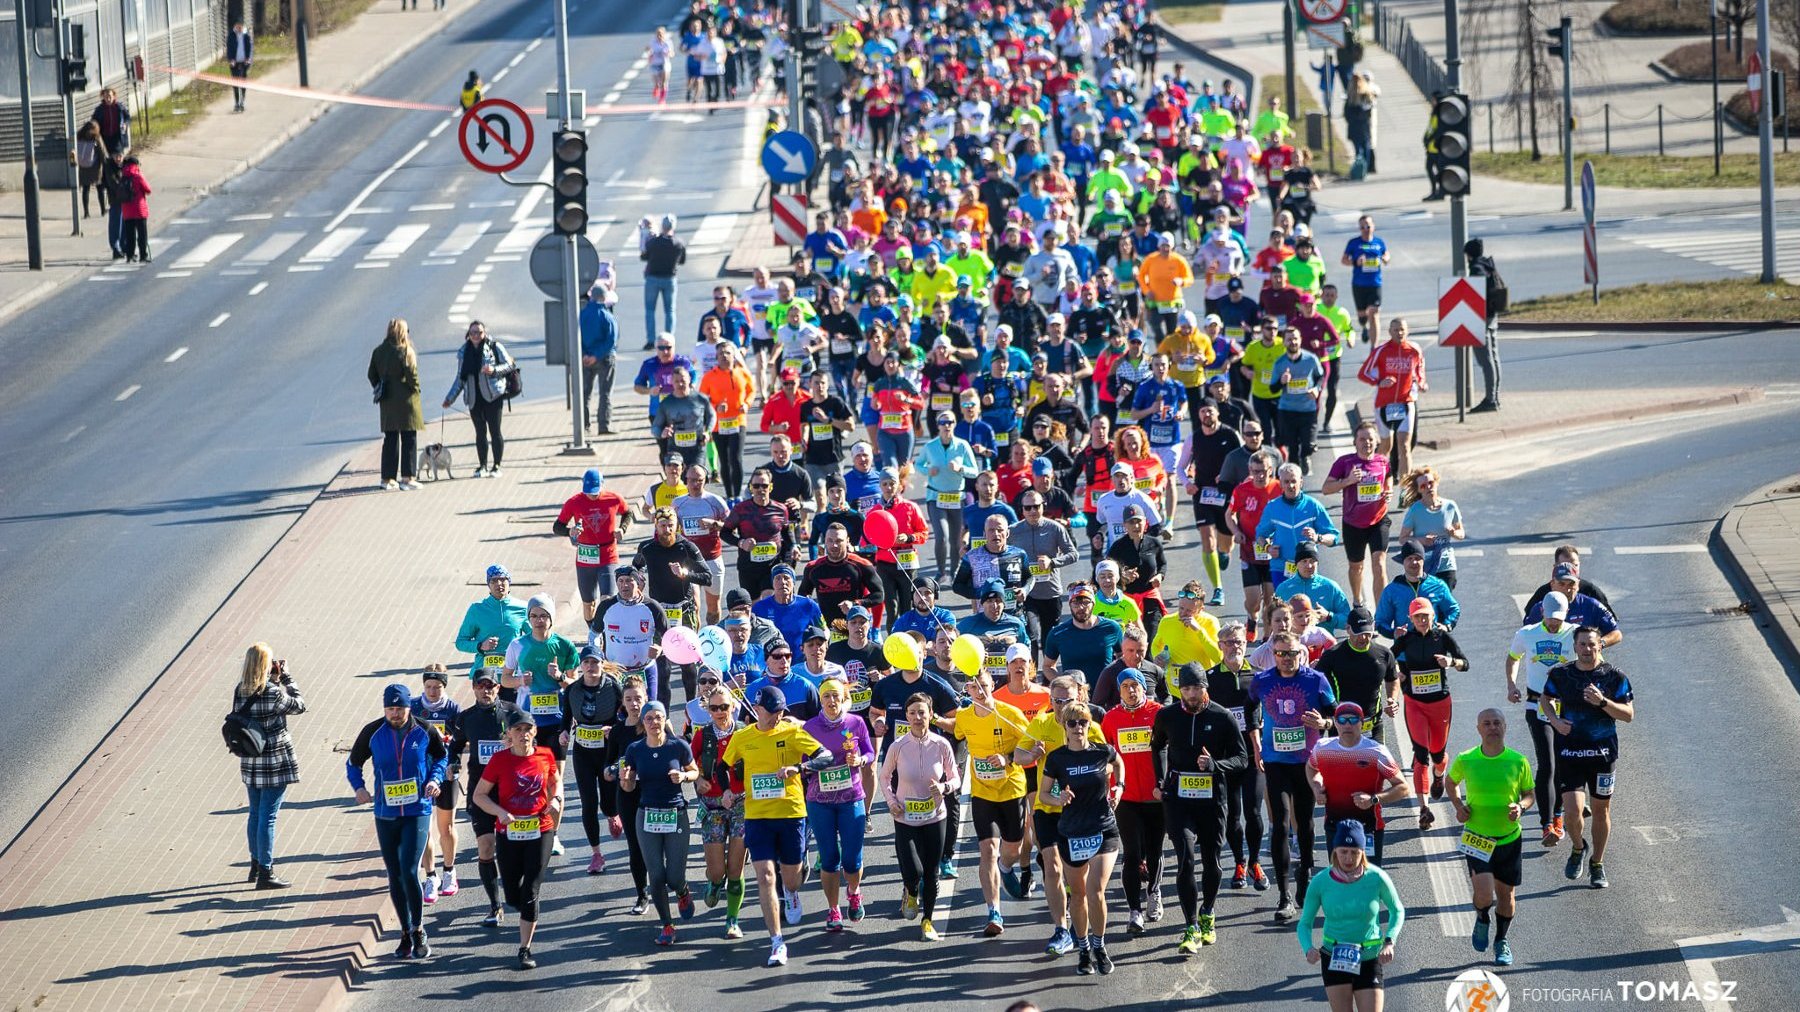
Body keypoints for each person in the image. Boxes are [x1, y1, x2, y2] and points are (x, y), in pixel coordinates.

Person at [720, 685, 839, 965]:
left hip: (791, 814)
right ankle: (777, 941)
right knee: (765, 877)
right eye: (772, 712)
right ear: (758, 710)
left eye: (780, 712)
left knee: (790, 879)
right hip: (757, 816)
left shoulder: (792, 732)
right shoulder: (743, 737)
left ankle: (793, 887)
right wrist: (728, 789)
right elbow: (724, 766)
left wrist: (799, 769)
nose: (777, 716)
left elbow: (826, 756)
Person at [1152, 662, 1251, 952]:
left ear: (1205, 688)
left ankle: (1208, 912)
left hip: (1212, 799)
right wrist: (1161, 779)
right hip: (1179, 798)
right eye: (1186, 689)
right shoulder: (1167, 715)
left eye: (1196, 688)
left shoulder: (1222, 717)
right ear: (1179, 689)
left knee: (1212, 862)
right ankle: (1190, 926)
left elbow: (1241, 759)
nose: (1192, 694)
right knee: (1185, 858)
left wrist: (1215, 765)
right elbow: (1157, 745)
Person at [347, 684, 449, 960]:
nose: (394, 714)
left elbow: (441, 757)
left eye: (399, 708)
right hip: (385, 813)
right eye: (390, 709)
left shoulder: (425, 730)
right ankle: (405, 932)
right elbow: (353, 763)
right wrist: (358, 787)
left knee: (408, 869)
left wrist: (435, 780)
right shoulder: (372, 732)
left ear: (408, 707)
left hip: (417, 810)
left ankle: (418, 929)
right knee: (395, 874)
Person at [1541, 626, 1634, 890]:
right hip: (1570, 753)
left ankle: (1597, 863)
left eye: (1592, 644)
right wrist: (1555, 721)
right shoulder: (1562, 674)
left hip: (1603, 755)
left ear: (1599, 646)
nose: (1587, 649)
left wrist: (1603, 702)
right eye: (1582, 644)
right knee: (1571, 812)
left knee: (1602, 810)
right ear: (1575, 646)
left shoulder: (1614, 677)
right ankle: (1578, 847)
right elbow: (1545, 698)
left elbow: (1628, 715)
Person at [1252, 629, 1336, 920]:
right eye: (1281, 654)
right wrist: (1255, 743)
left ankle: (1305, 875)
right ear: (1273, 654)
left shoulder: (1316, 680)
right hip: (1275, 762)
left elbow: (1336, 715)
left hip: (1306, 762)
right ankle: (1284, 897)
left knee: (1306, 824)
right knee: (1280, 824)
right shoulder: (1262, 681)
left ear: (1303, 653)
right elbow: (1250, 711)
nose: (1287, 659)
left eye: (1292, 653)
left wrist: (1322, 722)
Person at [1039, 701, 1126, 975]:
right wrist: (1058, 797)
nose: (1078, 728)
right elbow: (1043, 795)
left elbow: (1119, 762)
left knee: (1095, 890)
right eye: (1072, 723)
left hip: (1103, 828)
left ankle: (1100, 946)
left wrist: (1119, 788)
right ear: (1064, 727)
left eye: (1083, 723)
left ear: (1090, 725)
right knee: (1078, 895)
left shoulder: (1102, 752)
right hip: (1072, 832)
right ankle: (1084, 947)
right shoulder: (1057, 759)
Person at [472, 709, 562, 969]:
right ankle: (513, 903)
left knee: (531, 890)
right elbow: (480, 795)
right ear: (509, 734)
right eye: (518, 730)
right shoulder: (500, 760)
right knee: (513, 893)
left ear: (535, 732)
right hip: (509, 832)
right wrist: (500, 812)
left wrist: (554, 799)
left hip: (540, 829)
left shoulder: (545, 755)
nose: (524, 735)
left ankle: (524, 949)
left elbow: (555, 782)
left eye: (528, 729)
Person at [1447, 708, 1535, 967]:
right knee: (1484, 895)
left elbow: (1530, 793)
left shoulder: (1518, 761)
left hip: (1509, 838)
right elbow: (1451, 783)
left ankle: (1501, 940)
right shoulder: (1466, 758)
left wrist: (1522, 807)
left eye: (1497, 722)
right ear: (1478, 729)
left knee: (1506, 897)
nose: (1492, 727)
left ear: (1505, 727)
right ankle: (1482, 916)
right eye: (1486, 723)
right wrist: (1458, 807)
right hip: (1477, 837)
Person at [954, 669, 1031, 936]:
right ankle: (994, 911)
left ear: (993, 685)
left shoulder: (1009, 714)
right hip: (982, 793)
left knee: (1012, 848)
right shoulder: (965, 717)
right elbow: (954, 730)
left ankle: (1007, 866)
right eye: (976, 688)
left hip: (1012, 790)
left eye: (985, 686)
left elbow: (1031, 746)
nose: (982, 691)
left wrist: (1007, 758)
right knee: (987, 850)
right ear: (969, 690)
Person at [880, 691, 961, 941]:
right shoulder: (898, 746)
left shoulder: (941, 744)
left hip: (935, 816)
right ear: (906, 716)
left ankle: (928, 921)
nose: (917, 718)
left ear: (930, 715)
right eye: (912, 713)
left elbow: (955, 778)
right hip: (905, 817)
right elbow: (884, 777)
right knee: (914, 870)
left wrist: (945, 788)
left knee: (932, 871)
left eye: (922, 713)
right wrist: (892, 802)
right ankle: (911, 891)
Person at [1298, 821, 1404, 1012]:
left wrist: (1389, 942)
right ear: (1335, 851)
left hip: (1369, 959)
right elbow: (1305, 923)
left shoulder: (1377, 878)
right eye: (1343, 851)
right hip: (1334, 958)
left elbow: (1397, 910)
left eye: (1354, 852)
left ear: (1363, 852)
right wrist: (1308, 948)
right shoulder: (1321, 881)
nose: (1348, 858)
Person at [451, 668, 528, 925]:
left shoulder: (512, 712)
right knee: (485, 847)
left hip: (510, 791)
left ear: (498, 688)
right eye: (481, 686)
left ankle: (517, 890)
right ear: (473, 688)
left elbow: (531, 740)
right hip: (481, 792)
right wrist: (453, 764)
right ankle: (495, 906)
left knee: (512, 850)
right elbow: (455, 744)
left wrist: (519, 748)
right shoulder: (466, 718)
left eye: (491, 686)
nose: (486, 691)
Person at [620, 700, 700, 945]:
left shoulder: (678, 746)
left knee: (674, 877)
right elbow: (629, 785)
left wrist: (684, 776)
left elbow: (695, 771)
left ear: (665, 720)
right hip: (647, 815)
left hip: (675, 814)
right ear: (642, 723)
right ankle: (667, 925)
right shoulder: (635, 749)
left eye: (658, 717)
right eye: (649, 718)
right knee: (655, 876)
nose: (654, 723)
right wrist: (626, 780)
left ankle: (683, 891)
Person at [1504, 590, 1577, 845]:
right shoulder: (1527, 633)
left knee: (1562, 763)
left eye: (1559, 618)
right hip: (1537, 705)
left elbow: (1592, 659)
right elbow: (1513, 658)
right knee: (1546, 762)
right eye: (1551, 618)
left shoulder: (1575, 633)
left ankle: (1559, 814)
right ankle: (1547, 823)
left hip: (1568, 707)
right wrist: (1512, 685)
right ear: (1543, 612)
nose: (1554, 623)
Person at [802, 679, 876, 931]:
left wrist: (861, 760)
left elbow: (870, 752)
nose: (831, 701)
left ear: (844, 698)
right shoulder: (810, 727)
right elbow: (801, 762)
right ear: (820, 701)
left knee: (852, 861)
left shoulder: (855, 722)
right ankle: (833, 909)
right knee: (830, 859)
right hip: (820, 801)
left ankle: (854, 892)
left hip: (851, 798)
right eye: (826, 697)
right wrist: (812, 766)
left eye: (836, 696)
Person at [1392, 597, 1469, 830]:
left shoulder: (1442, 637)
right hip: (1414, 702)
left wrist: (1451, 661)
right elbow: (1386, 659)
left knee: (1438, 753)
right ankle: (1424, 809)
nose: (1422, 620)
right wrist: (1397, 671)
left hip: (1440, 703)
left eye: (1426, 616)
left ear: (1432, 617)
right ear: (1411, 619)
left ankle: (1439, 774)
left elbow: (1465, 663)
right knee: (1421, 754)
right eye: (1418, 617)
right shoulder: (1406, 640)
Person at [233, 644, 305, 890]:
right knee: (268, 817)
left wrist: (273, 680)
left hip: (251, 760)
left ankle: (254, 863)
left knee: (255, 812)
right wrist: (287, 678)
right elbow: (299, 705)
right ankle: (266, 870)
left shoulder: (240, 691)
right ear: (267, 664)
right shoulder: (273, 692)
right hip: (274, 761)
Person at [1101, 669, 1165, 934]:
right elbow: (1105, 757)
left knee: (1154, 851)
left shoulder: (1159, 713)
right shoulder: (1111, 718)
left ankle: (1154, 892)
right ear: (1119, 690)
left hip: (1155, 797)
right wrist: (1110, 786)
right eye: (1125, 685)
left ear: (1143, 687)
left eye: (1135, 685)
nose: (1130, 690)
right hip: (1125, 797)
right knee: (1131, 855)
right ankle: (1134, 911)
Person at [1307, 702, 1409, 864]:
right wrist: (1316, 788)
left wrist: (1373, 799)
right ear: (1336, 722)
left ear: (1362, 723)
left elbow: (1403, 788)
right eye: (1342, 719)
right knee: (1339, 881)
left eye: (1353, 720)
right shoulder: (1322, 748)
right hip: (1334, 826)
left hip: (1368, 827)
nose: (1347, 725)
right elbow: (1311, 768)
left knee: (1368, 881)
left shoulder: (1376, 752)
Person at [690, 682, 750, 935]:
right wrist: (698, 779)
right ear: (708, 711)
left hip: (741, 805)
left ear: (733, 707)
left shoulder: (747, 733)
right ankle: (715, 882)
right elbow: (688, 765)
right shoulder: (702, 736)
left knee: (735, 869)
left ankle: (732, 920)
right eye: (714, 708)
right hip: (712, 807)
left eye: (724, 706)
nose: (720, 712)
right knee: (717, 871)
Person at [561, 645, 623, 874]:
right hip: (583, 752)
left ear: (601, 663)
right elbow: (566, 717)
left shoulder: (613, 687)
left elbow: (624, 714)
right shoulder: (572, 690)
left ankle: (613, 813)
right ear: (581, 666)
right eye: (586, 663)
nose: (590, 667)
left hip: (607, 751)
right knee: (588, 803)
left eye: (594, 662)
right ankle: (596, 854)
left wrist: (614, 728)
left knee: (608, 800)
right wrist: (564, 732)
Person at [1320, 422, 1392, 609]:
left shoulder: (1382, 461)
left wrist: (1389, 491)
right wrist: (1348, 481)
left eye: (1370, 439)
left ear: (1376, 441)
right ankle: (1358, 599)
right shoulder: (1344, 463)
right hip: (1353, 523)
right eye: (1362, 439)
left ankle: (1381, 613)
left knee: (1379, 564)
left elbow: (1389, 477)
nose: (1366, 443)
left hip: (1378, 519)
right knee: (1356, 567)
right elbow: (1326, 489)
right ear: (1355, 442)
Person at [412, 665, 463, 904]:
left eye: (438, 687)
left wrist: (453, 754)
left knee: (447, 828)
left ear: (444, 687)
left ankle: (449, 871)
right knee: (424, 830)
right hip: (420, 776)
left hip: (445, 774)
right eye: (429, 687)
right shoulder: (413, 707)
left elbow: (462, 742)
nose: (432, 691)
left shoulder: (453, 709)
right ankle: (430, 876)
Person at [555, 469, 633, 623]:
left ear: (602, 485)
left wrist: (622, 529)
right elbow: (557, 527)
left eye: (596, 492)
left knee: (607, 599)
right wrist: (569, 531)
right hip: (586, 556)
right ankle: (593, 632)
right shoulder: (574, 502)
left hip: (608, 554)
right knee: (589, 603)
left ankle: (606, 632)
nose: (592, 495)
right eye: (589, 492)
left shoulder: (614, 498)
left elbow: (628, 513)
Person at [442, 321, 516, 477]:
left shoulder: (494, 347)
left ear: (484, 333)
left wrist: (493, 370)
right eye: (473, 333)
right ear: (468, 335)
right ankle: (482, 465)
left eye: (479, 332)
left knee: (495, 431)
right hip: (474, 398)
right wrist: (450, 398)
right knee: (480, 432)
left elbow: (510, 365)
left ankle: (496, 466)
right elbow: (460, 378)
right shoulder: (464, 352)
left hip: (492, 396)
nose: (476, 335)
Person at [1356, 318, 1425, 479]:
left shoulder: (1414, 350)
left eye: (1402, 329)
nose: (1399, 333)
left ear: (1407, 331)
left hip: (1406, 403)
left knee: (1405, 446)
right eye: (1395, 330)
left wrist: (1421, 383)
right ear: (1390, 332)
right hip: (1384, 404)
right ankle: (1375, 478)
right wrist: (1380, 382)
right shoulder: (1381, 351)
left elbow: (1420, 370)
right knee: (1386, 445)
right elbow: (1362, 373)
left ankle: (1405, 488)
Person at [358, 321, 419, 483]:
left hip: (387, 401)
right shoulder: (406, 351)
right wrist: (416, 389)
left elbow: (371, 374)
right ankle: (408, 477)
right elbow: (411, 376)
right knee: (409, 438)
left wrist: (380, 386)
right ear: (402, 332)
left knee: (390, 439)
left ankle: (387, 478)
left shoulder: (378, 351)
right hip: (406, 401)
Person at [1397, 465, 1465, 590]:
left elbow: (1461, 533)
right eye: (1423, 485)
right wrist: (1421, 540)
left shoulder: (1450, 506)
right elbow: (1402, 539)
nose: (1428, 487)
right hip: (1425, 565)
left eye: (1431, 483)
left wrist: (1454, 532)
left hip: (1446, 564)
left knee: (1444, 601)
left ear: (1436, 483)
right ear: (1419, 490)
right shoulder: (1415, 510)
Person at [1373, 539, 1460, 638]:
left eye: (1417, 558)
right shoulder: (1392, 590)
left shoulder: (1438, 585)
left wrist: (1447, 626)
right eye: (1409, 558)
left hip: (1433, 646)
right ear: (1403, 561)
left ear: (1423, 560)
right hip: (1405, 650)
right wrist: (1393, 633)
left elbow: (1453, 609)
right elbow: (1380, 621)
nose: (1414, 562)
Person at [1465, 238, 1505, 412]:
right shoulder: (1489, 265)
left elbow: (1475, 293)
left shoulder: (1476, 269)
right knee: (1494, 358)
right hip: (1492, 316)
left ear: (1469, 255)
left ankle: (1490, 400)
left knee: (1485, 361)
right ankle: (1495, 397)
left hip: (1480, 319)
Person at [580, 281, 621, 433]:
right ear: (604, 298)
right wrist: (597, 355)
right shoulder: (607, 316)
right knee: (605, 392)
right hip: (604, 359)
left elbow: (576, 337)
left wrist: (585, 355)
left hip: (585, 360)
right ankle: (604, 426)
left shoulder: (582, 315)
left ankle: (583, 425)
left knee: (585, 393)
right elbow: (611, 340)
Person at [642, 216, 687, 348]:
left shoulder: (653, 242)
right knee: (670, 310)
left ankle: (651, 340)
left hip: (652, 278)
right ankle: (669, 338)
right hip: (670, 278)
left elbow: (644, 256)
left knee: (650, 310)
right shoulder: (678, 243)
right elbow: (682, 261)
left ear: (662, 226)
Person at [117, 155, 152, 262]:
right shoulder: (138, 175)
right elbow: (148, 189)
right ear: (136, 164)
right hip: (139, 209)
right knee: (142, 234)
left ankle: (130, 255)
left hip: (127, 210)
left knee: (130, 234)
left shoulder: (123, 175)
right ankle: (143, 255)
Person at [226, 22, 253, 112]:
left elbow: (249, 48)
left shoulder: (246, 36)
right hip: (234, 63)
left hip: (244, 62)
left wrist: (248, 59)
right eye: (237, 26)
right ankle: (237, 102)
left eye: (240, 26)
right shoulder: (231, 36)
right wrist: (231, 59)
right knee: (235, 84)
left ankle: (242, 102)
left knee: (243, 83)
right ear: (235, 26)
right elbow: (229, 49)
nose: (239, 28)